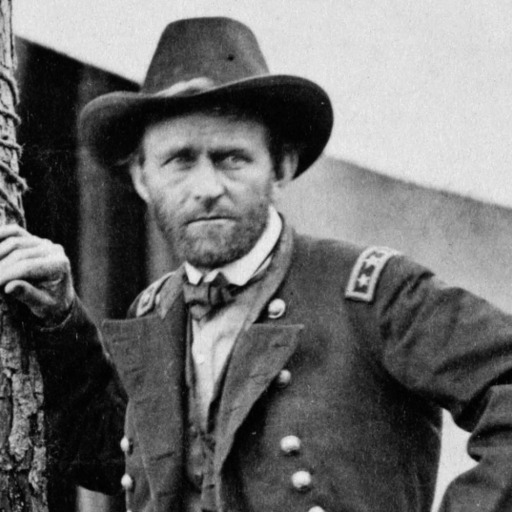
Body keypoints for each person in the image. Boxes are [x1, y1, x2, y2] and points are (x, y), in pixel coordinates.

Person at [2, 16, 512, 512]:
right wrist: (60, 318)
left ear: (281, 166)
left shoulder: (372, 293)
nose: (206, 188)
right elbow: (112, 457)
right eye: (179, 161)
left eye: (232, 158)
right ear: (141, 178)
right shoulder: (155, 310)